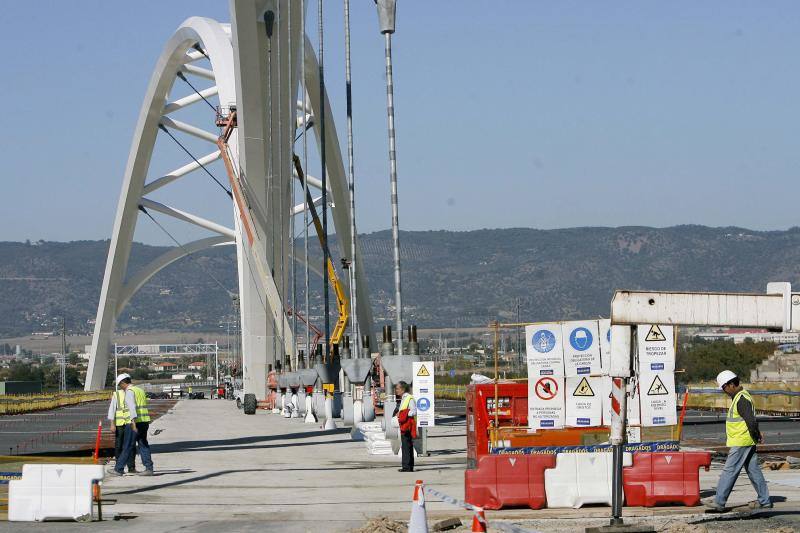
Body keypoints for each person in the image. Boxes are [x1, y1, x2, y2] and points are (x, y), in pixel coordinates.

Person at [706, 370, 771, 511]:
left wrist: (757, 433)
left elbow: (750, 420)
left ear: (731, 384)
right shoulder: (741, 397)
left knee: (729, 471)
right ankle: (765, 501)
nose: (724, 391)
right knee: (753, 471)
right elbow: (750, 420)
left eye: (724, 387)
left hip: (742, 441)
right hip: (746, 440)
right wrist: (757, 435)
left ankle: (719, 502)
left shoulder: (741, 399)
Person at [107, 373, 137, 476]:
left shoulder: (132, 391)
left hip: (130, 422)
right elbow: (112, 410)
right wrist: (112, 424)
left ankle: (131, 467)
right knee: (119, 445)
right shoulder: (117, 394)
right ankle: (119, 467)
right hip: (120, 424)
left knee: (131, 446)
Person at [128, 380, 155, 476]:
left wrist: (133, 423)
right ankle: (149, 468)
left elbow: (132, 408)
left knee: (129, 445)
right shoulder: (140, 390)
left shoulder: (130, 391)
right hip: (144, 420)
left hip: (136, 422)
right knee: (143, 444)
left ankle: (124, 468)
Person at [393, 381, 417, 472]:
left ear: (403, 389)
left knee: (406, 445)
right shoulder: (403, 398)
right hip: (404, 424)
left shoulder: (409, 398)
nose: (396, 390)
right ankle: (408, 466)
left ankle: (407, 467)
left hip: (407, 425)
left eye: (398, 388)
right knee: (406, 445)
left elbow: (414, 411)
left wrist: (404, 413)